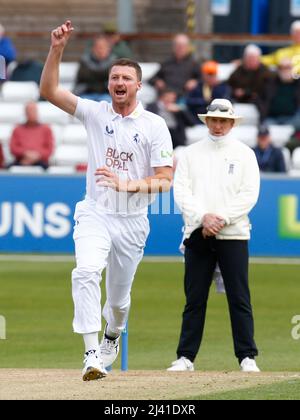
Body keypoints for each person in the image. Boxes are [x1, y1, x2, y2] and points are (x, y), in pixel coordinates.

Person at [40, 20, 173, 382]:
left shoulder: (154, 125)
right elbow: (50, 90)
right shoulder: (95, 113)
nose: (118, 83)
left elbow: (165, 181)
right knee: (84, 272)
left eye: (125, 79)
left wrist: (128, 184)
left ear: (138, 86)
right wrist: (57, 48)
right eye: (114, 77)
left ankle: (113, 333)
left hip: (132, 221)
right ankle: (90, 353)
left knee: (117, 302)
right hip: (95, 212)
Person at [168, 99, 260, 373]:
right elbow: (182, 192)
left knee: (239, 297)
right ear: (206, 121)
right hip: (199, 233)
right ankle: (186, 357)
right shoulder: (190, 154)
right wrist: (203, 218)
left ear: (231, 123)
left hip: (233, 234)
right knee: (194, 298)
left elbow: (249, 194)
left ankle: (247, 356)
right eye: (214, 120)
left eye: (223, 121)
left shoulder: (244, 154)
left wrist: (221, 219)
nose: (218, 126)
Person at [228, 45, 273, 118]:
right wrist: (235, 91)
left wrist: (245, 92)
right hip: (238, 98)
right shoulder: (239, 70)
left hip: (257, 99)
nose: (251, 61)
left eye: (253, 58)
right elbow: (230, 84)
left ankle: (262, 122)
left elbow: (265, 90)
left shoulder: (265, 72)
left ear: (258, 59)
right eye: (249, 58)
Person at [150, 33, 199, 98]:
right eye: (178, 45)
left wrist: (195, 82)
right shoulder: (167, 63)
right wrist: (157, 81)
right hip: (166, 97)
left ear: (188, 47)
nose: (180, 48)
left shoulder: (194, 64)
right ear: (173, 47)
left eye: (183, 46)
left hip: (184, 98)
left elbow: (203, 79)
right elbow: (152, 79)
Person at [9, 102, 54, 169]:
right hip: (21, 161)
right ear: (25, 113)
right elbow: (13, 148)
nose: (32, 113)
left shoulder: (46, 129)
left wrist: (36, 156)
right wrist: (25, 153)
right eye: (29, 111)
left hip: (41, 162)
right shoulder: (17, 129)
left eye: (34, 111)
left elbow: (49, 149)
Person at [74, 35, 117, 101]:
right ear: (93, 48)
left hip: (106, 94)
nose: (100, 50)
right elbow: (82, 78)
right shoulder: (85, 61)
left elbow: (114, 80)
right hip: (86, 93)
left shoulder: (114, 62)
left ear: (108, 49)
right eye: (98, 47)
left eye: (103, 47)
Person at [262, 59, 300, 129]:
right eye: (281, 67)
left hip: (292, 118)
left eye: (287, 67)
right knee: (263, 129)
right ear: (278, 69)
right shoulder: (270, 83)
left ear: (292, 68)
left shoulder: (297, 84)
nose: (285, 70)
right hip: (272, 118)